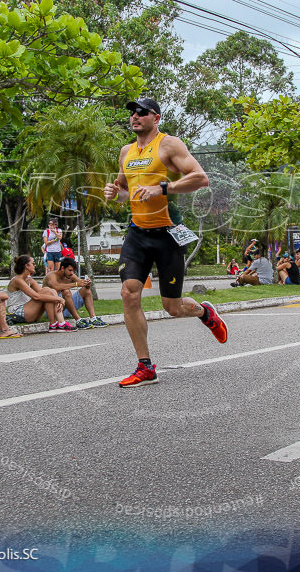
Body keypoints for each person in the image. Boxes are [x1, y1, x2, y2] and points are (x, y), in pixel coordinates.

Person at [103, 97, 228, 388]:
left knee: (172, 306)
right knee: (129, 293)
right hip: (137, 234)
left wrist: (163, 188)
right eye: (132, 113)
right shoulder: (126, 152)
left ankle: (204, 312)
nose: (135, 117)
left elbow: (200, 178)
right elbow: (125, 191)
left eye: (141, 112)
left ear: (156, 118)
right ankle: (145, 366)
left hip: (168, 233)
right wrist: (114, 192)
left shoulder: (169, 145)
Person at [6, 254, 76, 332]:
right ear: (27, 266)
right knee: (47, 291)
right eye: (33, 263)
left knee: (48, 291)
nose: (34, 265)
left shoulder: (29, 279)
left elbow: (45, 293)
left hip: (29, 312)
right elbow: (36, 297)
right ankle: (61, 323)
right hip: (18, 312)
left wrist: (57, 299)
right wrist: (59, 299)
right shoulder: (17, 280)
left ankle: (54, 325)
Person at [42, 257, 108, 329]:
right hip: (52, 311)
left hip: (65, 309)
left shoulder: (70, 275)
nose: (72, 273)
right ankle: (78, 320)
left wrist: (87, 284)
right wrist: (76, 284)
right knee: (66, 291)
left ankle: (93, 318)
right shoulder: (51, 276)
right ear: (63, 268)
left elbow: (81, 283)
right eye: (70, 270)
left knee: (86, 291)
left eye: (73, 271)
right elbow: (56, 286)